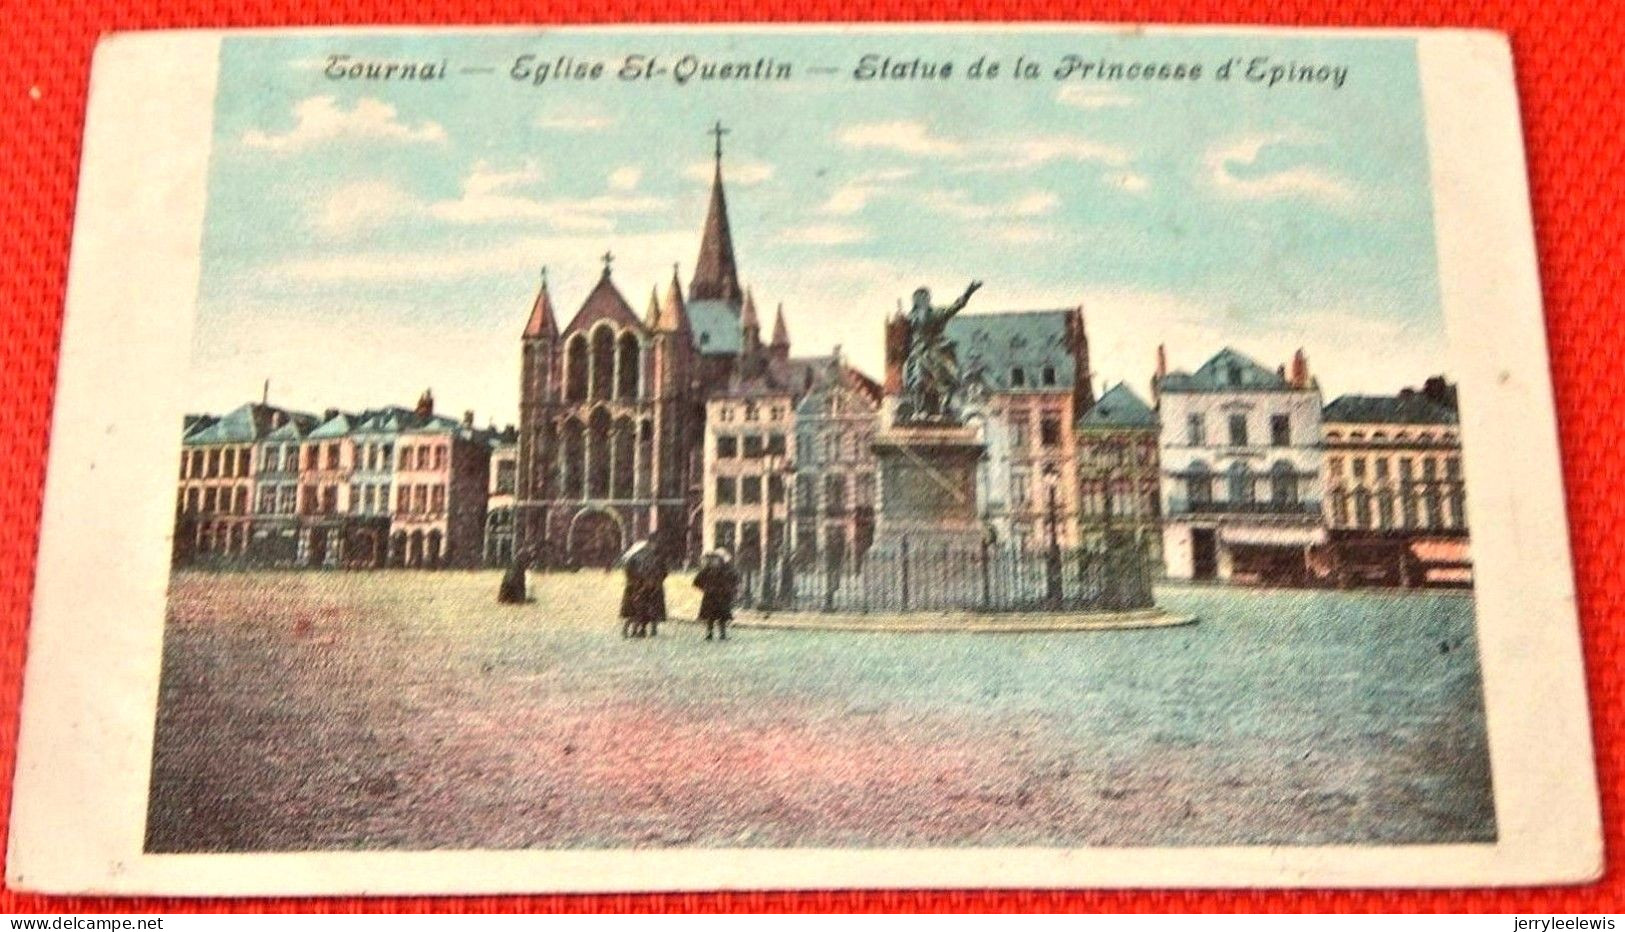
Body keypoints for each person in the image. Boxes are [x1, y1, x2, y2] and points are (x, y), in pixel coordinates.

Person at [693, 548, 740, 641]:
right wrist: (705, 588)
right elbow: (697, 581)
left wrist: (729, 588)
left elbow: (735, 578)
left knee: (718, 616)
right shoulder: (711, 569)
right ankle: (714, 634)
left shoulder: (719, 569)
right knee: (715, 616)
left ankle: (717, 634)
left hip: (718, 595)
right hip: (716, 595)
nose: (716, 561)